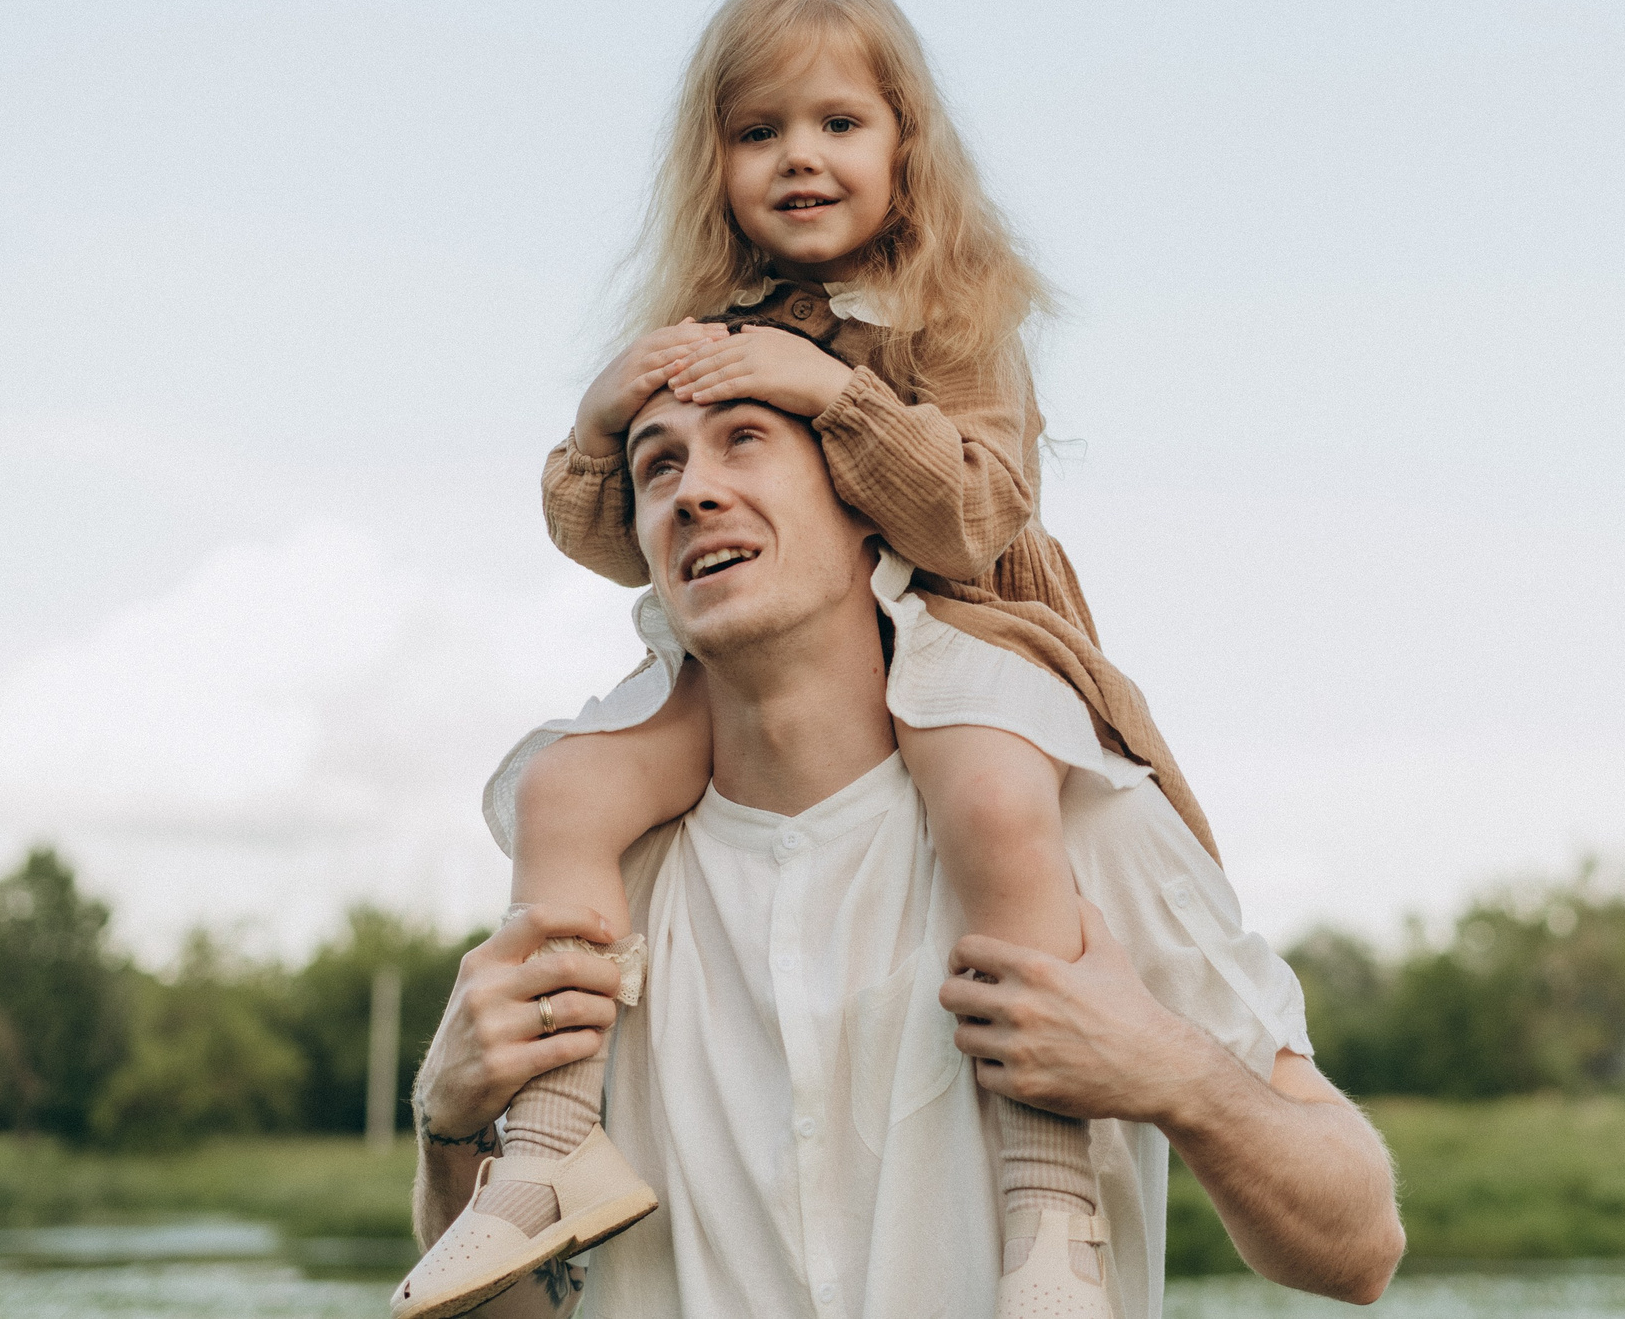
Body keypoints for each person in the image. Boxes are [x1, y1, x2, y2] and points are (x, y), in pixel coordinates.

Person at [401, 0, 1219, 1318]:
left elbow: (972, 516)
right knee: (567, 786)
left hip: (951, 636)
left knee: (1001, 801)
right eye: (761, 130)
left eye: (840, 123)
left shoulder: (952, 314)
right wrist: (602, 419)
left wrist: (835, 396)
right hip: (752, 665)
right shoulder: (711, 333)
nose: (801, 158)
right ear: (713, 164)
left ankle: (1049, 1206)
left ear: (906, 145)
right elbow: (619, 536)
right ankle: (546, 1152)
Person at [403, 385, 1403, 1317]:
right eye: (657, 466)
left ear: (866, 507)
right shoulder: (607, 883)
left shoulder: (1076, 821)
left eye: (744, 439)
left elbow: (1358, 1248)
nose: (692, 490)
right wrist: (449, 1133)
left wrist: (1174, 1072)